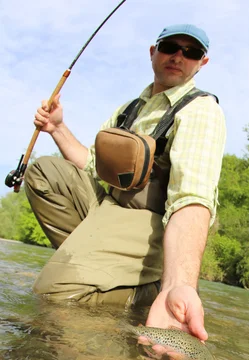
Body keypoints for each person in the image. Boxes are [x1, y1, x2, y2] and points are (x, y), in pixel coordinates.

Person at [25, 24, 226, 342]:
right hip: (108, 206)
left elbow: (192, 199)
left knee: (53, 292)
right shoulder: (130, 108)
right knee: (45, 174)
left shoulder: (201, 110)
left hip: (149, 223)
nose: (178, 56)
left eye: (191, 52)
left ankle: (149, 288)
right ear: (153, 52)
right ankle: (113, 277)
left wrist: (179, 284)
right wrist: (56, 128)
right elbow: (91, 165)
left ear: (202, 62)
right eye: (170, 46)